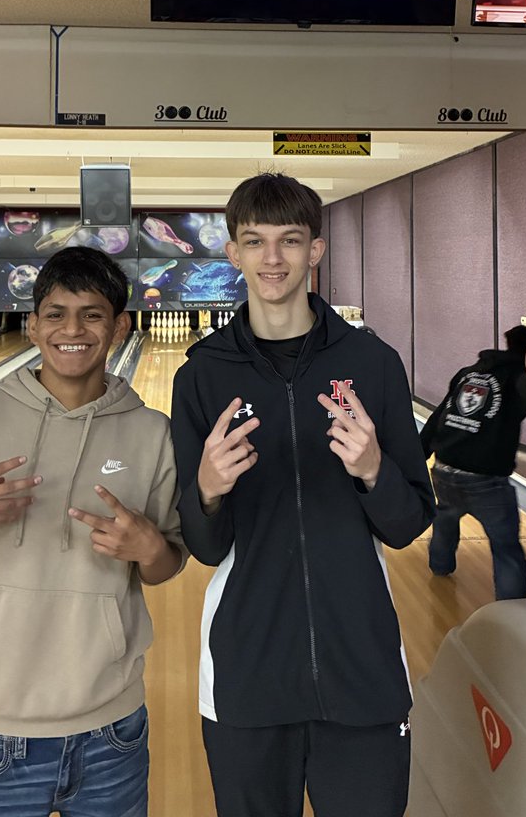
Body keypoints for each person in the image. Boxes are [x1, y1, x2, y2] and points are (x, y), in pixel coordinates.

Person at [169, 171, 435, 817]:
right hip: (248, 676)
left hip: (362, 668)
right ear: (232, 251)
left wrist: (374, 470)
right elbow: (205, 548)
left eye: (290, 241)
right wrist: (205, 491)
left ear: (316, 250)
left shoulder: (373, 365)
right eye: (255, 242)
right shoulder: (202, 375)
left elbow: (406, 526)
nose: (273, 259)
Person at [0, 246, 186, 817]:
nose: (72, 329)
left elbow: (168, 562)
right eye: (55, 313)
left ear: (121, 326)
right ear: (31, 325)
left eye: (92, 314)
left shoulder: (152, 433)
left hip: (112, 730)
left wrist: (150, 549)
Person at [419, 324, 526, 601]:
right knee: (506, 548)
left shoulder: (469, 373)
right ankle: (511, 608)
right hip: (485, 479)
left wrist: (419, 453)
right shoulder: (520, 378)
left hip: (445, 467)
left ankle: (440, 565)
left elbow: (441, 413)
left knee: (446, 517)